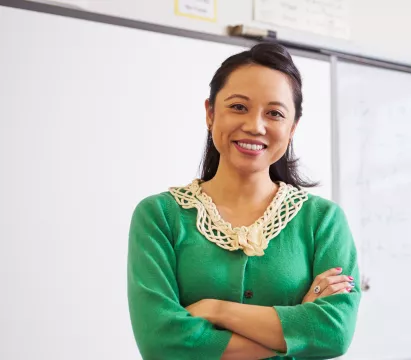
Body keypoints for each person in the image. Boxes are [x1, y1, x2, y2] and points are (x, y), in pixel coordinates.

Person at [126, 42, 361, 360]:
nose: (255, 126)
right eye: (238, 107)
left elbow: (334, 333)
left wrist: (216, 310)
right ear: (210, 113)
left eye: (274, 113)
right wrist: (294, 335)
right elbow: (161, 343)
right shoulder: (159, 216)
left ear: (292, 128)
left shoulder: (324, 220)